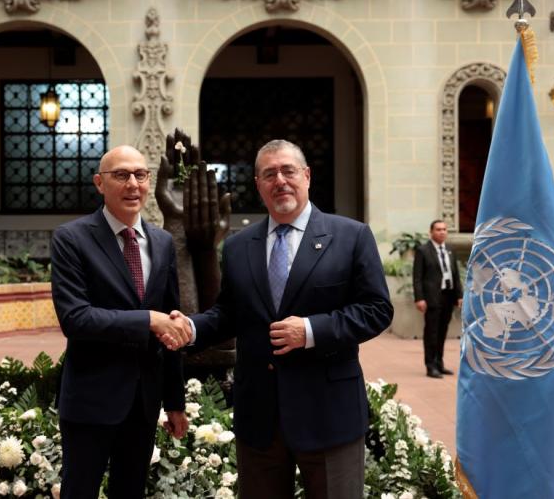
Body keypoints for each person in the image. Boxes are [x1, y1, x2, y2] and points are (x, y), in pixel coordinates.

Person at [175, 140, 393, 499]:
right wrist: (190, 327)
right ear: (259, 184)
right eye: (269, 174)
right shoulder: (237, 245)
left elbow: (376, 310)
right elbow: (229, 313)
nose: (281, 180)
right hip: (260, 419)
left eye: (288, 170)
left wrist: (310, 330)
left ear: (306, 176)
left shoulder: (351, 236)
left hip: (328, 415)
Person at [50, 145, 191, 499]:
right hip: (90, 400)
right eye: (121, 175)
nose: (133, 184)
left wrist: (174, 400)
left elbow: (171, 323)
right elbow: (75, 318)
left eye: (140, 175)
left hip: (143, 402)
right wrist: (146, 320)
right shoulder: (72, 238)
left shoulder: (161, 242)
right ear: (99, 183)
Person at [412, 220, 462, 379]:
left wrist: (459, 295)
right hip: (432, 297)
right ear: (431, 232)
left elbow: (456, 275)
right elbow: (417, 277)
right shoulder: (423, 250)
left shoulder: (450, 250)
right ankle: (430, 365)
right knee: (431, 332)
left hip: (448, 296)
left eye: (444, 229)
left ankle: (439, 363)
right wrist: (419, 298)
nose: (442, 232)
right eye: (438, 229)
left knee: (442, 332)